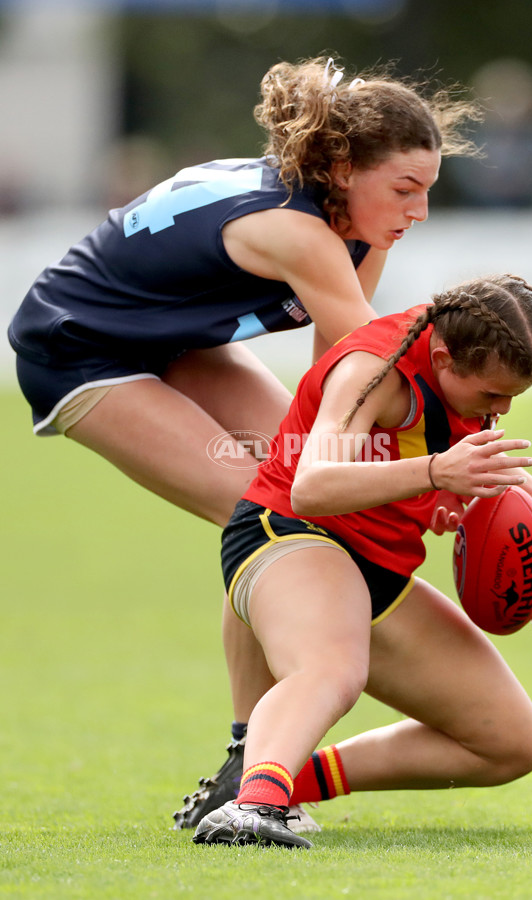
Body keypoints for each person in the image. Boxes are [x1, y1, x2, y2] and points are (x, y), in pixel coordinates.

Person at [7, 55, 479, 831]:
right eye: (404, 189)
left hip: (179, 338)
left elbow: (347, 395)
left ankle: (259, 751)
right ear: (341, 165)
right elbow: (378, 372)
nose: (419, 210)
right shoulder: (299, 232)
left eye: (429, 189)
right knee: (271, 509)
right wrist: (443, 477)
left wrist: (411, 476)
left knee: (299, 494)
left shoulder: (350, 220)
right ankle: (244, 760)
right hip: (81, 350)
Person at [190, 274, 532, 849]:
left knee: (512, 741)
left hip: (376, 566)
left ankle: (282, 777)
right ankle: (253, 807)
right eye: (491, 395)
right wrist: (433, 474)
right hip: (288, 534)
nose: (500, 410)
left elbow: (458, 461)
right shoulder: (372, 368)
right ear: (445, 357)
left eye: (511, 399)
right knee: (333, 668)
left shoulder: (462, 361)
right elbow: (312, 487)